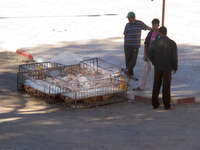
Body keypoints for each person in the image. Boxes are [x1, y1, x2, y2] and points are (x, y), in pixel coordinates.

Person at [148, 26, 178, 110]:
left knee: (156, 85)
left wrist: (154, 62)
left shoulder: (155, 42)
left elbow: (150, 54)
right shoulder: (172, 43)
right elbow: (174, 57)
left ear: (160, 33)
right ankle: (166, 105)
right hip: (167, 67)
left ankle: (155, 104)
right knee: (166, 86)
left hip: (158, 67)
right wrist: (175, 67)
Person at [133, 18, 160, 91]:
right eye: (153, 25)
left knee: (156, 74)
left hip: (156, 58)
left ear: (158, 25)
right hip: (149, 55)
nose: (154, 26)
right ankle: (142, 87)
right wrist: (145, 54)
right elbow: (146, 44)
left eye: (156, 25)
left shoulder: (160, 34)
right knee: (145, 72)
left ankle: (157, 88)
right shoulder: (150, 32)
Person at [123, 11, 151, 81]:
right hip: (127, 45)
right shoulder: (127, 24)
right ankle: (130, 73)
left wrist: (154, 29)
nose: (128, 20)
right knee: (128, 60)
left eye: (129, 18)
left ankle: (127, 70)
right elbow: (125, 33)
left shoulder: (139, 23)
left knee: (133, 60)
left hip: (135, 45)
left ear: (133, 18)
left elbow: (146, 27)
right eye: (128, 18)